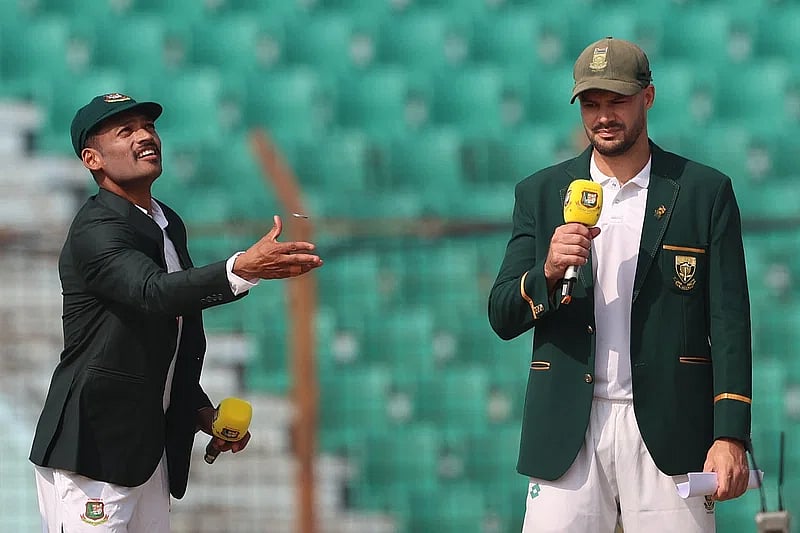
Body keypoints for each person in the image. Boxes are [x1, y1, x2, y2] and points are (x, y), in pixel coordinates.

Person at [488, 37, 752, 532]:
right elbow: (502, 313)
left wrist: (731, 434)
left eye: (617, 101)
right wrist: (545, 273)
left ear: (647, 97)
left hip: (671, 431)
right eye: (591, 104)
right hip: (566, 431)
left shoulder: (703, 192)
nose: (603, 116)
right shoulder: (540, 193)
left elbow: (730, 321)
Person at [29, 93, 323, 533]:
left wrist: (199, 411)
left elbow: (164, 336)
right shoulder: (95, 227)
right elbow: (154, 294)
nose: (145, 136)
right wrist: (238, 269)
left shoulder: (165, 221)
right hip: (94, 449)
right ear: (93, 159)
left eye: (148, 126)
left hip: (145, 453)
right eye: (125, 131)